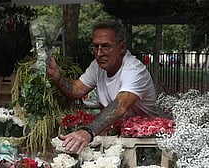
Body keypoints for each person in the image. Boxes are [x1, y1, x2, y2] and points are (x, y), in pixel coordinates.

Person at [47, 20, 158, 154]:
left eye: (105, 47)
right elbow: (77, 90)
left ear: (122, 47)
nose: (99, 54)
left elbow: (120, 105)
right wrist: (58, 77)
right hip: (119, 137)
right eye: (95, 47)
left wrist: (87, 132)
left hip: (145, 142)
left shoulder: (134, 69)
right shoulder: (97, 65)